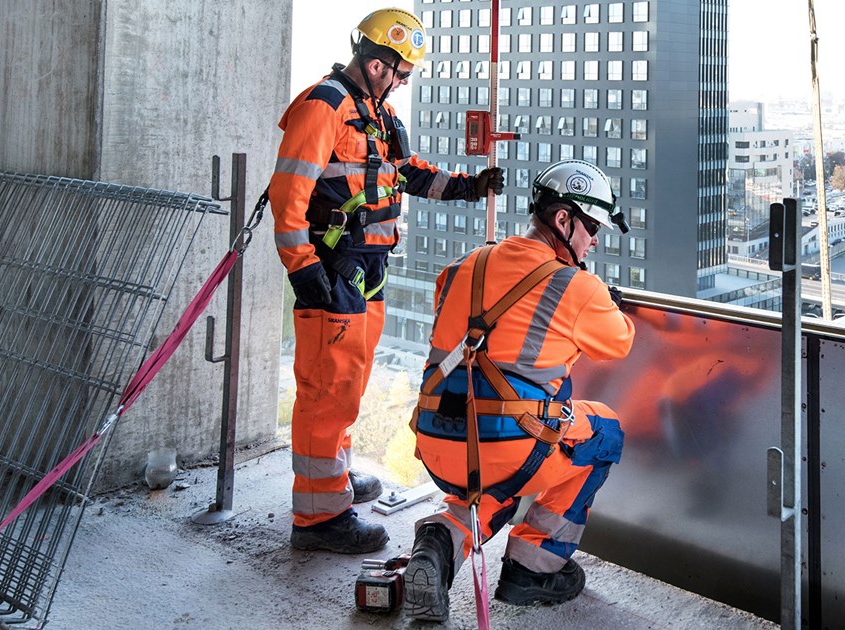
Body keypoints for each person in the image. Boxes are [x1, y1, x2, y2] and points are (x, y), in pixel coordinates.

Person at [269, 8, 505, 554]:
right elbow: (288, 197)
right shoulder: (324, 106)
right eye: (401, 70)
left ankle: (333, 476)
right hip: (331, 269)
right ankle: (318, 517)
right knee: (327, 388)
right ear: (377, 63)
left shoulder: (374, 113)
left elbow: (407, 172)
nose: (404, 79)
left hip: (366, 268)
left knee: (347, 382)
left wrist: (469, 187)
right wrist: (303, 268)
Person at [401, 160, 635, 621]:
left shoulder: (463, 264)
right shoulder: (578, 286)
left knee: (494, 474)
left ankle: (440, 541)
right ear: (563, 220)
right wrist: (609, 303)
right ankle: (534, 567)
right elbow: (620, 341)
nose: (595, 239)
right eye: (591, 226)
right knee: (604, 431)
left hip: (437, 438)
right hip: (507, 447)